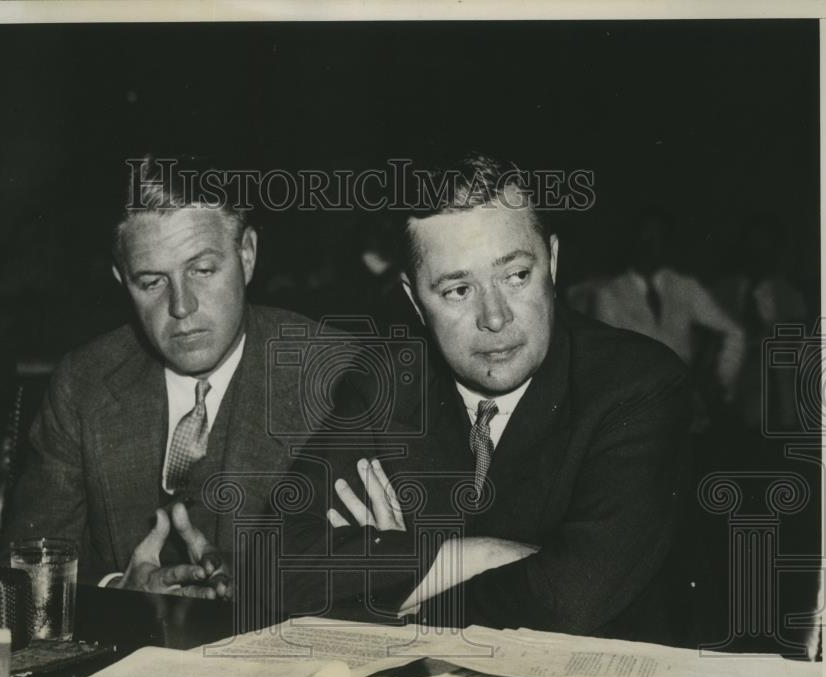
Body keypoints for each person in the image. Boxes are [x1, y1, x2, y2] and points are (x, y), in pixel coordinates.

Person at [274, 153, 693, 643]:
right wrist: (475, 555)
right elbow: (275, 566)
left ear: (553, 263)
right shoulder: (386, 383)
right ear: (414, 301)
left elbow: (569, 602)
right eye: (457, 290)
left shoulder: (636, 385)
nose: (494, 317)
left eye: (516, 276)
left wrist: (394, 572)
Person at [3, 156, 325, 597]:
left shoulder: (337, 378)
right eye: (152, 282)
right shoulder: (82, 384)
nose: (181, 306)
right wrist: (117, 590)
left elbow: (382, 573)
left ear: (247, 255)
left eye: (203, 270)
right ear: (122, 281)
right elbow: (22, 566)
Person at [573, 206, 745, 406]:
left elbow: (734, 332)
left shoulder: (685, 286)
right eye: (643, 235)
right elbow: (608, 359)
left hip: (685, 395)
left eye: (657, 237)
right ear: (632, 240)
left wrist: (721, 381)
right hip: (636, 397)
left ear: (668, 242)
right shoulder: (609, 294)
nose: (649, 244)